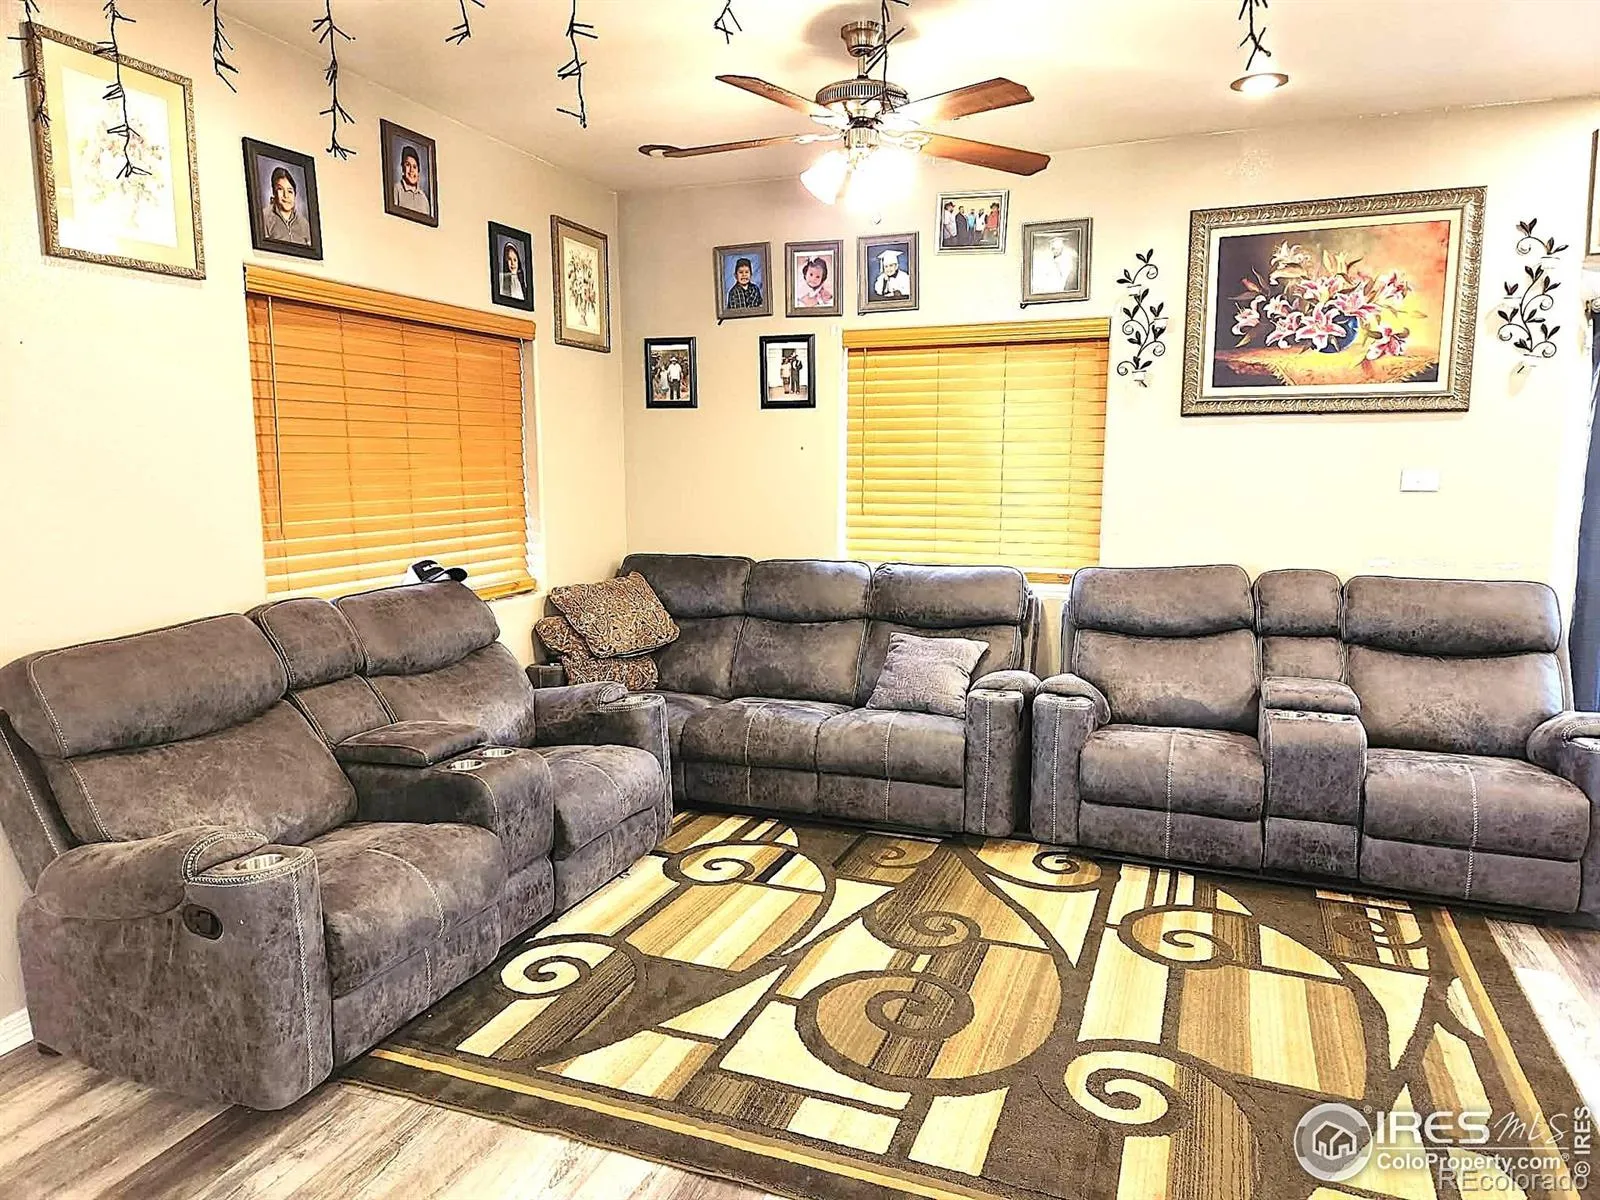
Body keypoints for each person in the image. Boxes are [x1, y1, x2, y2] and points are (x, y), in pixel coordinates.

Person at [263, 165, 311, 246]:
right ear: (274, 192)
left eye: (290, 191)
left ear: (295, 195)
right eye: (280, 189)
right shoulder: (264, 218)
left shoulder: (304, 224)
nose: (286, 195)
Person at [392, 144, 431, 217]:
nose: (411, 170)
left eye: (414, 167)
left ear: (418, 171)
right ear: (402, 168)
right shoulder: (396, 190)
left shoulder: (423, 198)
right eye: (408, 165)